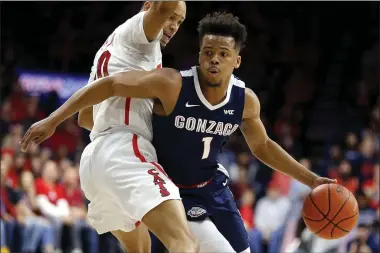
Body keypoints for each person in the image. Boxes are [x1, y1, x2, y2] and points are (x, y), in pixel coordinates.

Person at [20, 11, 336, 253]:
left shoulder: (245, 101)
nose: (214, 59)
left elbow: (263, 146)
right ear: (199, 53)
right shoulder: (173, 84)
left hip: (211, 187)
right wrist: (54, 119)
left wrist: (311, 180)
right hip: (168, 185)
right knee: (181, 244)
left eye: (223, 54)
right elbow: (110, 85)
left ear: (236, 61)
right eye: (207, 51)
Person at [23, 2, 198, 253]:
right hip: (125, 151)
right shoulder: (140, 33)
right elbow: (161, 7)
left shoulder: (112, 47)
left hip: (95, 162)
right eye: (170, 16)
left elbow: (86, 118)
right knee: (184, 241)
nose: (172, 25)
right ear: (149, 5)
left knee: (140, 249)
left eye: (179, 21)